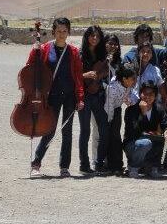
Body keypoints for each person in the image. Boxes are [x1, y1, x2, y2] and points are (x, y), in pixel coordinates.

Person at [29, 18, 85, 178]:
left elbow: (78, 76)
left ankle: (64, 167)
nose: (61, 34)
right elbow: (31, 66)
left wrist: (80, 97)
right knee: (49, 130)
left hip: (69, 96)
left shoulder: (73, 51)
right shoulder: (45, 48)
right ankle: (36, 163)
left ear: (68, 32)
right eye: (59, 31)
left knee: (67, 132)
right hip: (51, 96)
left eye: (64, 31)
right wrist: (34, 50)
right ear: (53, 32)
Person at [79, 25, 110, 174]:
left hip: (98, 95)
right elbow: (73, 76)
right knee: (85, 131)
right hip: (84, 95)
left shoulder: (102, 54)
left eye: (97, 36)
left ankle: (99, 162)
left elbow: (105, 71)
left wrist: (100, 74)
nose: (95, 38)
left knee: (104, 129)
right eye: (92, 35)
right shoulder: (80, 54)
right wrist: (85, 75)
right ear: (87, 37)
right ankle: (84, 165)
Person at [123, 82, 167, 178]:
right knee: (145, 143)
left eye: (151, 94)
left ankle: (151, 167)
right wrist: (143, 114)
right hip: (133, 143)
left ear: (155, 96)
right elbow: (133, 131)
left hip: (151, 141)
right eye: (145, 93)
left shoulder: (159, 109)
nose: (147, 97)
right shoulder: (131, 110)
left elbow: (166, 125)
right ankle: (133, 167)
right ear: (140, 94)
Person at [103, 62, 139, 173]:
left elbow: (134, 95)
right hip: (106, 111)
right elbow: (108, 107)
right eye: (132, 79)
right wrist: (109, 121)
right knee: (108, 136)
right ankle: (108, 164)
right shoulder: (112, 88)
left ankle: (118, 165)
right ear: (124, 79)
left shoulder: (129, 84)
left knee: (116, 137)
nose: (134, 81)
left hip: (117, 108)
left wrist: (130, 100)